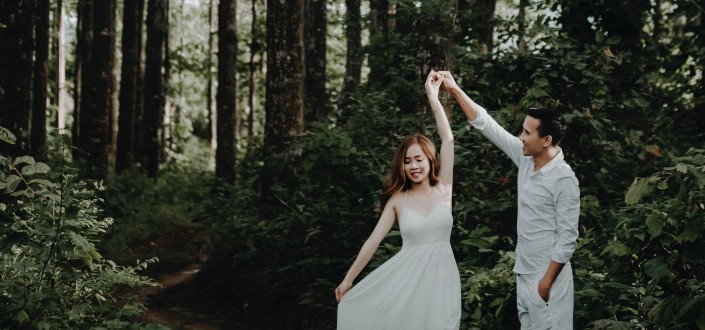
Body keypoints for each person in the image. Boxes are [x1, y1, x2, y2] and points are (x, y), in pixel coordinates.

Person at [437, 71, 580, 329]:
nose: (521, 137)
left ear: (546, 140)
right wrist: (455, 90)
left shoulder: (563, 178)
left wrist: (545, 284)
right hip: (524, 274)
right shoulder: (526, 158)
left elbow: (568, 237)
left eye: (527, 132)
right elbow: (487, 124)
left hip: (548, 280)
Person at [335, 70, 461, 330]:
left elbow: (448, 140)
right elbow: (373, 241)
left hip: (442, 281)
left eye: (418, 159)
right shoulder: (397, 200)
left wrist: (433, 97)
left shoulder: (444, 189)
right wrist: (349, 279)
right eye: (407, 161)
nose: (413, 166)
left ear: (430, 160)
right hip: (406, 283)